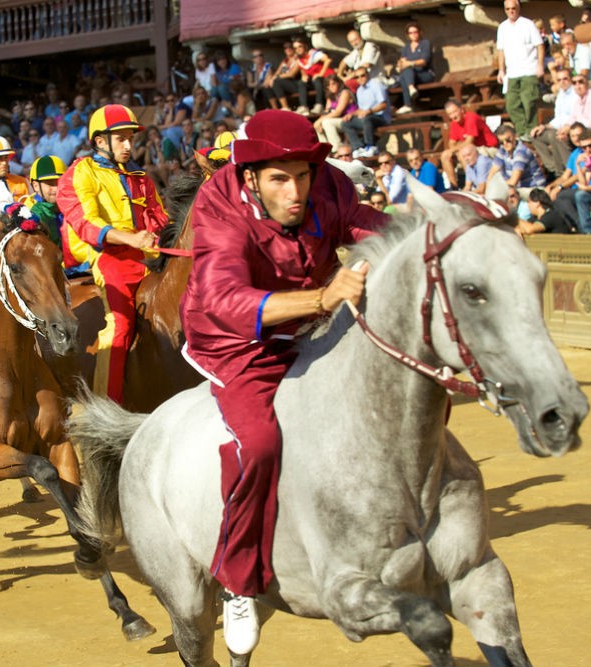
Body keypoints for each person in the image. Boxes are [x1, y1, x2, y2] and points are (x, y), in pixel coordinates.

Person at [178, 109, 386, 655]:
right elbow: (223, 298)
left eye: (303, 174)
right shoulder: (218, 202)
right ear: (250, 176)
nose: (296, 191)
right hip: (237, 339)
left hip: (317, 320)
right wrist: (320, 298)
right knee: (262, 443)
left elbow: (366, 224)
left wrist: (434, 234)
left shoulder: (330, 186)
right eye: (279, 178)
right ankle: (237, 580)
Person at [55, 104, 170, 403]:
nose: (129, 145)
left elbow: (159, 217)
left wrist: (161, 237)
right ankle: (107, 406)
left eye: (131, 138)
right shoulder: (81, 171)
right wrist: (131, 240)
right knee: (120, 325)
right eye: (121, 139)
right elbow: (86, 224)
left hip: (150, 255)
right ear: (100, 141)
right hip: (111, 259)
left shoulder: (140, 176)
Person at [496, 0, 544, 139]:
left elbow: (539, 45)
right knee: (511, 104)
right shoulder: (503, 27)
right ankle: (522, 131)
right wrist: (501, 70)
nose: (511, 11)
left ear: (518, 8)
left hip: (529, 69)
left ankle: (532, 131)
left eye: (513, 8)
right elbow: (501, 50)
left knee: (529, 102)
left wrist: (540, 65)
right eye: (508, 9)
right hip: (512, 73)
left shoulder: (528, 24)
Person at [440, 99, 498, 189]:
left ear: (462, 110)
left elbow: (469, 141)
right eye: (450, 114)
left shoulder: (471, 118)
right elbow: (451, 143)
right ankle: (453, 186)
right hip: (473, 149)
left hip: (489, 148)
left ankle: (471, 185)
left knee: (462, 153)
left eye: (455, 112)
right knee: (445, 155)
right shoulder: (454, 123)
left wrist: (455, 148)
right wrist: (452, 149)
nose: (453, 116)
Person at [527, 68, 574, 176]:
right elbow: (558, 117)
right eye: (559, 80)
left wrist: (564, 127)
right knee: (535, 135)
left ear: (570, 79)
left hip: (570, 127)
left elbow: (574, 116)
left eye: (565, 79)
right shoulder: (561, 95)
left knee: (554, 136)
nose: (562, 82)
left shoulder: (574, 93)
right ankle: (553, 167)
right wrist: (544, 126)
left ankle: (563, 171)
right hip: (559, 126)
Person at [341, 69, 390, 158]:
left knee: (367, 119)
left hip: (380, 117)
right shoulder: (359, 90)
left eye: (362, 75)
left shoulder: (376, 85)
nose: (360, 78)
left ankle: (371, 146)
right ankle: (358, 147)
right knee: (346, 123)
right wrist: (352, 114)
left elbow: (383, 105)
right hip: (366, 117)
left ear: (367, 75)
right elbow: (361, 109)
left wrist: (369, 111)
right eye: (357, 77)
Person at [396, 22, 434, 115]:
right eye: (410, 33)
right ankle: (411, 89)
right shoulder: (406, 47)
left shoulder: (425, 43)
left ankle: (408, 104)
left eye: (415, 32)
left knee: (406, 71)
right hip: (412, 76)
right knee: (404, 73)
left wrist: (410, 63)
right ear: (408, 35)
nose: (413, 34)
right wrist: (400, 65)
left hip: (425, 74)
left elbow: (424, 61)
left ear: (420, 32)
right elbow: (401, 61)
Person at [313, 76, 355, 152]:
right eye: (328, 85)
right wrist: (318, 122)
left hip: (349, 119)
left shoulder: (345, 92)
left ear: (338, 83)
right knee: (318, 124)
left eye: (333, 84)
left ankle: (336, 147)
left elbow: (338, 112)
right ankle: (325, 149)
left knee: (326, 122)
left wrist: (321, 120)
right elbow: (326, 112)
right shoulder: (330, 96)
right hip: (337, 120)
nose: (331, 86)